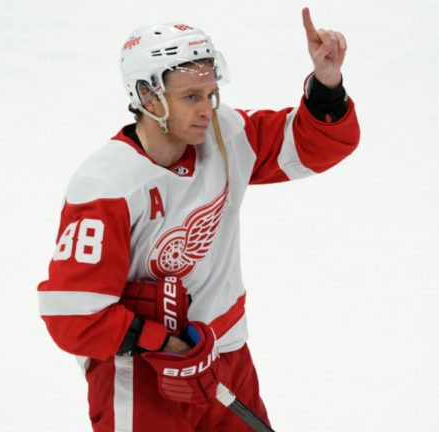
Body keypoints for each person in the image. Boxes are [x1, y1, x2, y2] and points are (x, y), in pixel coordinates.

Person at [38, 7, 360, 431]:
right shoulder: (105, 186)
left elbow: (312, 145)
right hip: (142, 377)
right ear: (149, 96)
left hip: (225, 356)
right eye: (190, 97)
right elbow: (73, 315)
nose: (207, 109)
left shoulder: (224, 135)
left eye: (209, 94)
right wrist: (159, 339)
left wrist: (327, 83)